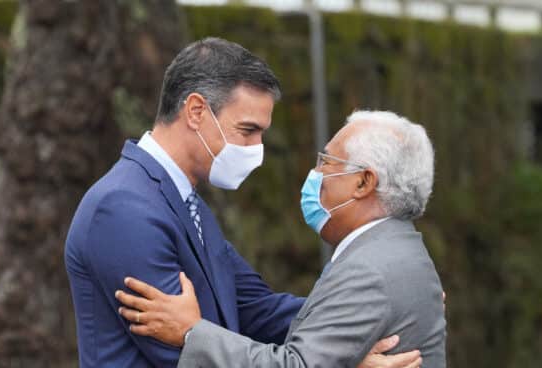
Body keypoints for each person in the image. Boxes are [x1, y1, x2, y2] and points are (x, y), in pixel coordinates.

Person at [65, 38, 421, 368]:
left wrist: (375, 310)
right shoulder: (124, 210)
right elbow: (183, 355)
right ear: (195, 111)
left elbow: (258, 310)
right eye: (247, 131)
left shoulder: (188, 205)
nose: (256, 150)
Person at [116, 110, 447, 367]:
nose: (314, 175)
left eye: (326, 162)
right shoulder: (398, 250)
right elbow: (265, 309)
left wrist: (190, 331)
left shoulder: (369, 270)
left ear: (363, 183)